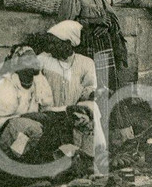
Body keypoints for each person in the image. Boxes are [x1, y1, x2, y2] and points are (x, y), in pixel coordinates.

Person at [30, 21, 106, 159]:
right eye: (49, 43)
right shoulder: (42, 59)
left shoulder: (86, 63)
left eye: (54, 43)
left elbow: (88, 90)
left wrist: (95, 94)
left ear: (68, 43)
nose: (50, 47)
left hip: (73, 110)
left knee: (93, 108)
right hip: (49, 111)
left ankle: (93, 156)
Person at [58, 0, 128, 98]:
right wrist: (93, 22)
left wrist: (106, 24)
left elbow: (112, 19)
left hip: (103, 48)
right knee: (89, 87)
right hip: (85, 48)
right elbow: (65, 26)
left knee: (105, 86)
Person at [0, 45, 59, 162]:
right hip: (6, 132)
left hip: (30, 129)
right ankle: (13, 161)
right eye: (28, 60)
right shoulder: (7, 84)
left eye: (34, 58)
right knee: (31, 128)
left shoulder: (39, 80)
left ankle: (42, 162)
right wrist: (27, 117)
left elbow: (47, 106)